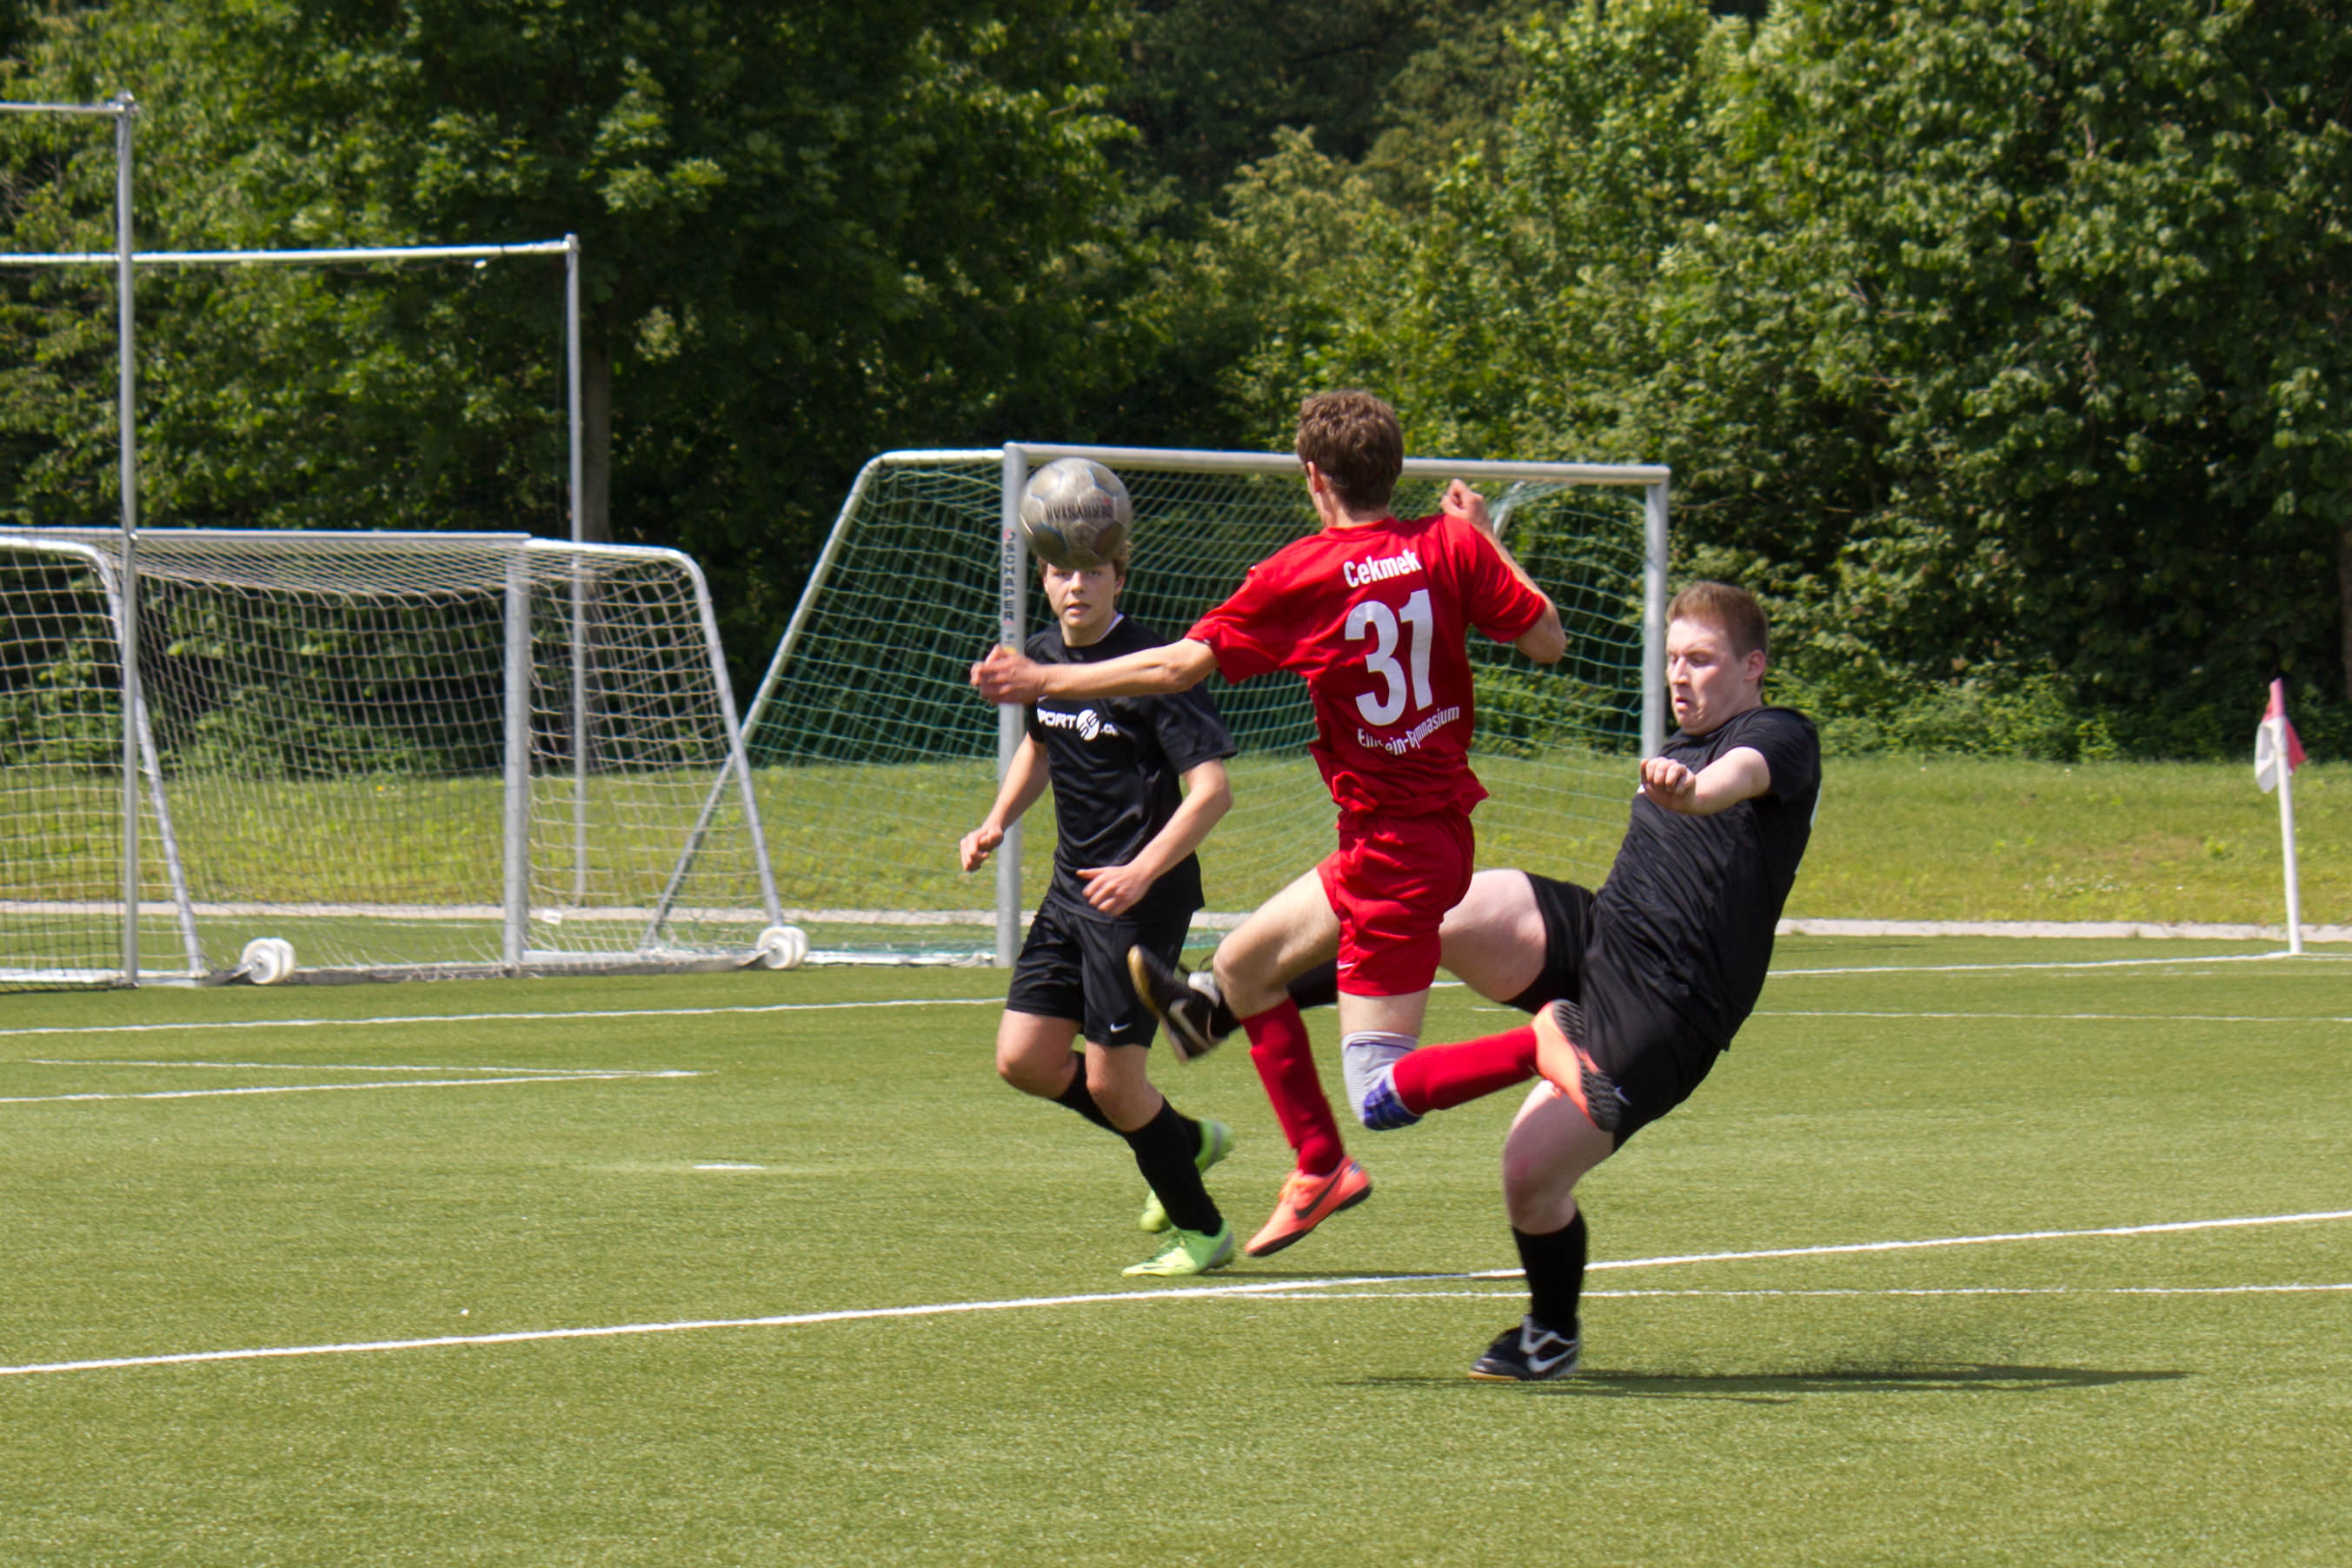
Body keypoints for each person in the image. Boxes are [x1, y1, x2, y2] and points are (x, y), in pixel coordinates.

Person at [1143, 582, 1821, 1377]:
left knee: (1528, 1176)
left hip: (1669, 1006)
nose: (1680, 675)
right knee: (1438, 904)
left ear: (1753, 666)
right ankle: (1220, 1003)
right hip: (1598, 932)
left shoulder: (1779, 735)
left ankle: (1551, 1332)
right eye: (1673, 658)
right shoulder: (1682, 739)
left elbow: (1738, 777)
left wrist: (1695, 793)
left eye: (1700, 660)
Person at [973, 390, 1565, 1259]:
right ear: (1392, 470)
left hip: (1396, 852)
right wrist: (1485, 538)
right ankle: (1318, 1164)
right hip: (1400, 837)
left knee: (1379, 1092)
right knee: (1241, 969)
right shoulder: (1450, 544)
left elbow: (1177, 668)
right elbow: (1548, 640)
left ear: (1313, 477)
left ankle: (1542, 1044)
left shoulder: (1303, 572)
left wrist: (1044, 681)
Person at [960, 532, 1241, 1277]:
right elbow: (1041, 745)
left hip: (1141, 901)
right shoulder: (1043, 659)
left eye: (1092, 571)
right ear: (1045, 580)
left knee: (1113, 1083)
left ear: (1120, 577)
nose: (1076, 585)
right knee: (1025, 1059)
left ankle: (1203, 1231)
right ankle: (1184, 1140)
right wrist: (995, 822)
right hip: (1070, 893)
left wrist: (1142, 871)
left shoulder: (1158, 667)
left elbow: (1213, 793)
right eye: (1061, 571)